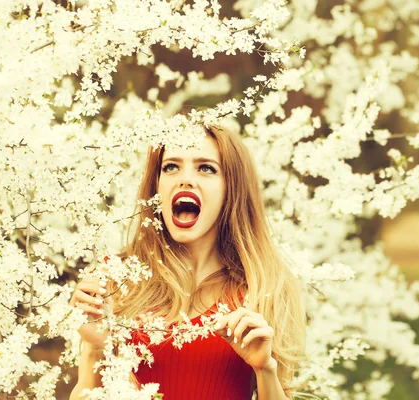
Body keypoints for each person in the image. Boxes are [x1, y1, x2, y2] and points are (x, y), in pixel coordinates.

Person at [69, 125, 306, 399]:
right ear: (156, 185)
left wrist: (265, 370)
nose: (186, 179)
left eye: (206, 168)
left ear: (232, 187)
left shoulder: (265, 286)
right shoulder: (118, 277)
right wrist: (96, 348)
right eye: (171, 167)